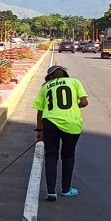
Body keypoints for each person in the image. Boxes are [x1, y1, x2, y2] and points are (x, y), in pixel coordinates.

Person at [33, 65, 88, 201]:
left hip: (50, 122)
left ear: (50, 76)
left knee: (51, 155)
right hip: (72, 123)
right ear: (65, 74)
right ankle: (66, 189)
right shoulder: (75, 82)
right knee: (68, 156)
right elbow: (84, 102)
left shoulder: (46, 86)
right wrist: (74, 105)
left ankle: (51, 191)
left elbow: (40, 111)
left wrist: (39, 130)